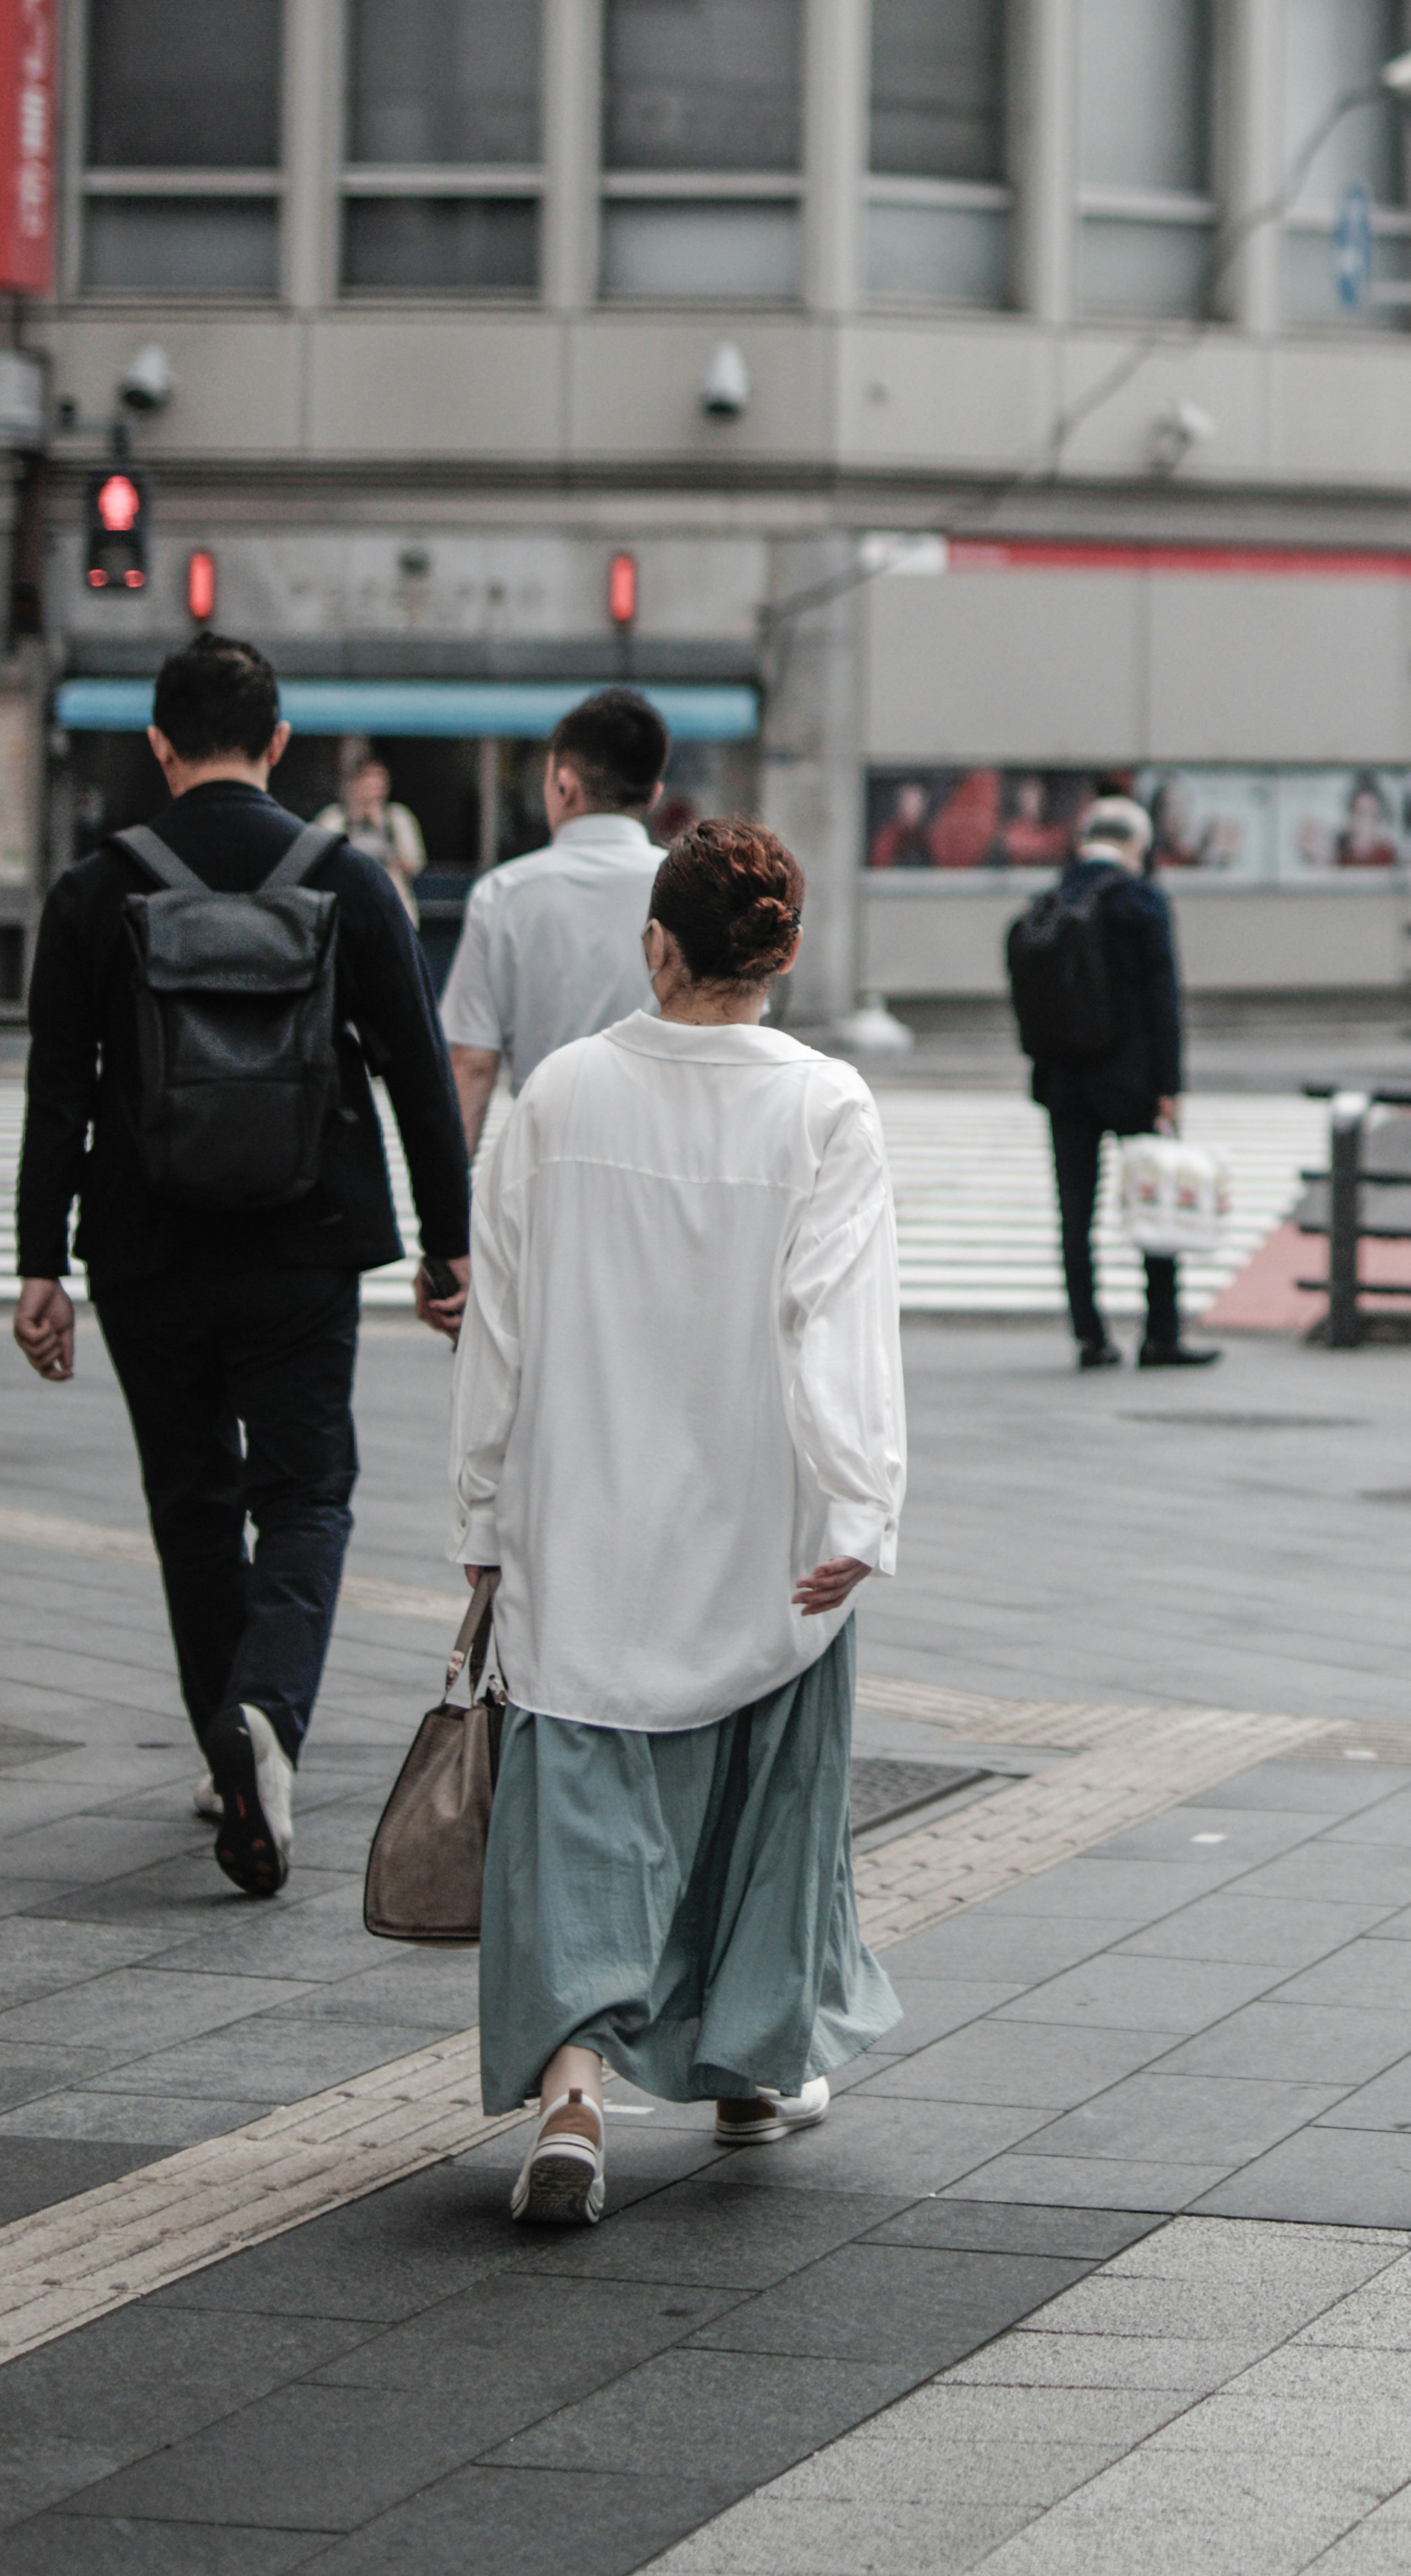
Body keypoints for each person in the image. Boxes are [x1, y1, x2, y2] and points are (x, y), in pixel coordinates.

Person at [451, 819, 906, 2225]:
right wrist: (862, 1498)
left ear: (655, 946)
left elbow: (501, 1336)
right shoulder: (825, 1106)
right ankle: (752, 2069)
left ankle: (576, 2088)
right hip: (759, 1525)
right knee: (764, 1797)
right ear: (783, 954)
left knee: (583, 1799)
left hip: (583, 1517)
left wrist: (481, 1510)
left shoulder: (558, 1100)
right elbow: (834, 1322)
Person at [11, 634, 470, 1896]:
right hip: (304, 1240)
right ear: (278, 745)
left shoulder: (95, 890)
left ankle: (229, 1749)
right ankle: (266, 1709)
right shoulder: (350, 881)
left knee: (191, 1501)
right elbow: (421, 1081)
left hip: (147, 1247)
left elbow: (58, 1093)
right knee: (306, 1492)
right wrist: (449, 1244)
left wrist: (39, 1262)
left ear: (160, 745)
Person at [1029, 795, 1219, 1373]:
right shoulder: (1141, 901)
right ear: (1137, 845)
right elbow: (1164, 998)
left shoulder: (1048, 901)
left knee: (1075, 1210)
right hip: (1132, 1078)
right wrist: (1170, 1084)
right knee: (1154, 1195)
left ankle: (1091, 1336)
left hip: (1063, 1079)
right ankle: (1161, 1332)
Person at [439, 687, 669, 1156]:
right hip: (665, 1150)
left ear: (565, 785)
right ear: (655, 794)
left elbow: (472, 1064)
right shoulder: (694, 887)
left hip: (549, 1151)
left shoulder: (502, 895)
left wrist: (446, 1215)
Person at [319, 752, 426, 924]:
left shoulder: (398, 818)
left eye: (378, 785)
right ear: (355, 784)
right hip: (346, 911)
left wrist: (383, 828)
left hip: (391, 910)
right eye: (367, 783)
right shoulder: (335, 817)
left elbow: (413, 863)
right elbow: (321, 860)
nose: (373, 790)